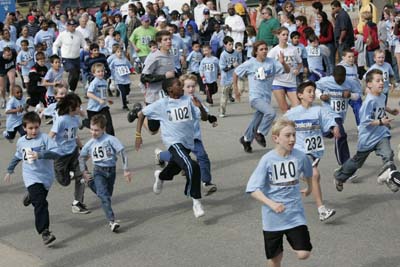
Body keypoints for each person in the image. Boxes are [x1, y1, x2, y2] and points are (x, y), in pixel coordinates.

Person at [135, 78, 208, 218]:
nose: (182, 87)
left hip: (187, 142)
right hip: (173, 142)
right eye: (179, 85)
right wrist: (138, 135)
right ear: (169, 90)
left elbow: (203, 118)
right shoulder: (162, 104)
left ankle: (160, 176)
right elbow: (142, 114)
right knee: (192, 165)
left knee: (174, 167)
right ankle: (196, 201)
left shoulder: (188, 100)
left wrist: (200, 107)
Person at [246, 118, 313, 267]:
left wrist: (309, 188)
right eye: (288, 135)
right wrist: (272, 204)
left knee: (304, 253)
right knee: (275, 259)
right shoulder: (267, 160)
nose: (292, 139)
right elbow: (252, 189)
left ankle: (292, 239)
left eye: (294, 135)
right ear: (276, 138)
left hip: (295, 214)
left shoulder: (300, 157)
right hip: (272, 218)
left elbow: (309, 173)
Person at [334, 69, 400, 192]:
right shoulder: (368, 101)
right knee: (356, 163)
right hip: (368, 138)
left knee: (388, 154)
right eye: (378, 81)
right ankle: (339, 176)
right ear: (369, 84)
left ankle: (389, 178)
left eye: (382, 80)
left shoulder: (382, 96)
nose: (381, 83)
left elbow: (381, 106)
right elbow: (364, 121)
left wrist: (390, 110)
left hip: (380, 134)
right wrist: (381, 122)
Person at [155, 74, 218, 195]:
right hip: (179, 138)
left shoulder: (195, 99)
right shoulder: (174, 101)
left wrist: (211, 119)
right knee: (178, 160)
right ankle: (161, 155)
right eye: (188, 87)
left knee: (202, 156)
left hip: (194, 136)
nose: (191, 89)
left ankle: (206, 182)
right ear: (181, 87)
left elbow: (203, 113)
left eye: (193, 86)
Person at [285, 81, 339, 222]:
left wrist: (334, 127)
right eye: (309, 91)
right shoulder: (292, 113)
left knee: (314, 177)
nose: (312, 93)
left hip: (314, 151)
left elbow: (330, 121)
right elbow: (280, 126)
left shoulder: (318, 110)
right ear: (300, 95)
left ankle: (309, 187)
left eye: (313, 91)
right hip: (299, 151)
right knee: (315, 174)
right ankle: (322, 210)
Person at [4, 112, 60, 245]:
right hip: (31, 176)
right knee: (41, 203)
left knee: (38, 199)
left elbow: (56, 153)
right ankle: (44, 232)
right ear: (24, 128)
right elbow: (18, 156)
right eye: (30, 128)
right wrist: (9, 170)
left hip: (46, 176)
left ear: (39, 126)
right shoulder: (21, 141)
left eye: (36, 127)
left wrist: (40, 154)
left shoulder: (45, 138)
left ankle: (31, 196)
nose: (34, 131)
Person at [79, 114, 132, 232]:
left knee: (107, 194)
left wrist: (126, 170)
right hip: (98, 171)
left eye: (96, 130)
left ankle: (89, 183)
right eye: (91, 129)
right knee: (104, 197)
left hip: (111, 171)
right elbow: (81, 157)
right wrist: (84, 171)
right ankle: (112, 221)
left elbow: (122, 152)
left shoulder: (111, 140)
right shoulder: (90, 143)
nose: (93, 133)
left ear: (103, 129)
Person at [234, 40, 289, 153]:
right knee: (271, 113)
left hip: (266, 98)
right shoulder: (250, 63)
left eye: (265, 49)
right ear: (256, 52)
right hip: (255, 97)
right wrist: (236, 90)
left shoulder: (271, 62)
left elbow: (287, 71)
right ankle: (260, 133)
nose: (264, 51)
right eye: (261, 49)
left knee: (256, 119)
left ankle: (246, 139)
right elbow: (236, 72)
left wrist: (283, 63)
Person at [49, 93, 89, 214]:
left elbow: (74, 135)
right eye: (79, 106)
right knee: (64, 182)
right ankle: (65, 173)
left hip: (73, 153)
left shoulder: (75, 119)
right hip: (60, 155)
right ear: (72, 107)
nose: (80, 109)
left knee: (82, 175)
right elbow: (51, 136)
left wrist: (81, 147)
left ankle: (77, 203)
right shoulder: (61, 120)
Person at [128, 30, 175, 132]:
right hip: (154, 96)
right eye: (165, 40)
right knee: (153, 130)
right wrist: (164, 76)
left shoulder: (171, 55)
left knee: (171, 122)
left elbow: (172, 74)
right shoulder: (154, 57)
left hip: (167, 96)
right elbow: (144, 77)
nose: (168, 42)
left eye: (169, 39)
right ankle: (139, 112)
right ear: (159, 43)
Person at [316, 65, 360, 166]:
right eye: (337, 80)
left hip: (341, 114)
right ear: (333, 76)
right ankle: (345, 165)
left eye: (342, 79)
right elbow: (315, 87)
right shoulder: (325, 81)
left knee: (332, 132)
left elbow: (358, 95)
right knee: (341, 135)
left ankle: (323, 130)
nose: (340, 82)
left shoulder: (350, 82)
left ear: (345, 76)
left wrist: (350, 95)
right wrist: (320, 96)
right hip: (329, 112)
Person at [268, 27, 302, 113]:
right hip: (278, 82)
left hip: (291, 82)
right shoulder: (274, 51)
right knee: (284, 109)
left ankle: (290, 122)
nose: (285, 37)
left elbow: (300, 63)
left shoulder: (293, 49)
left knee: (297, 107)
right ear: (278, 36)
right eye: (283, 35)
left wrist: (297, 70)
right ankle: (287, 125)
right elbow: (267, 65)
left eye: (287, 35)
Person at [52, 19, 86, 92]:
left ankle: (71, 90)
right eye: (71, 26)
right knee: (73, 72)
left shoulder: (79, 34)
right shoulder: (62, 34)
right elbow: (55, 45)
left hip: (76, 58)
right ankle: (69, 89)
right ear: (67, 26)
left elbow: (84, 44)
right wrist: (55, 54)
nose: (73, 28)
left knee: (76, 75)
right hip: (66, 58)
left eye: (74, 26)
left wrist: (86, 48)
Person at [87, 63, 115, 136]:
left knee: (108, 124)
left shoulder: (105, 82)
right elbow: (89, 94)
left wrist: (108, 99)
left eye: (102, 71)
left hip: (103, 107)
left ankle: (112, 140)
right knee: (95, 127)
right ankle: (85, 122)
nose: (101, 73)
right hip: (93, 109)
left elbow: (103, 94)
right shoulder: (94, 82)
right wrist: (98, 100)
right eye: (98, 71)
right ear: (94, 73)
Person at [338, 49, 363, 126]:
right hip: (343, 94)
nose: (352, 58)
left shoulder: (354, 66)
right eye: (349, 57)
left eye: (353, 57)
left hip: (354, 94)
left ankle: (361, 128)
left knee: (359, 110)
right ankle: (337, 129)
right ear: (343, 57)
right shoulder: (339, 67)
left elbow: (356, 79)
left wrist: (360, 88)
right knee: (340, 115)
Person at [219, 36, 240, 118]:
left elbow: (239, 62)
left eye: (232, 44)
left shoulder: (236, 53)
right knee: (224, 97)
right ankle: (222, 111)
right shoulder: (223, 55)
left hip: (234, 78)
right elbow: (224, 69)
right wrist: (232, 66)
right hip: (226, 79)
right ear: (225, 45)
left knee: (240, 89)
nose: (231, 46)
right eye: (229, 44)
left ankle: (231, 95)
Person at [109, 46, 135, 110]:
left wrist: (133, 71)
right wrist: (112, 74)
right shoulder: (114, 61)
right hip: (119, 80)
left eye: (121, 52)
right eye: (118, 52)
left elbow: (130, 66)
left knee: (127, 91)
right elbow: (110, 67)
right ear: (115, 53)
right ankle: (124, 105)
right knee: (123, 92)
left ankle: (125, 98)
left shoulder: (125, 60)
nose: (120, 53)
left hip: (126, 79)